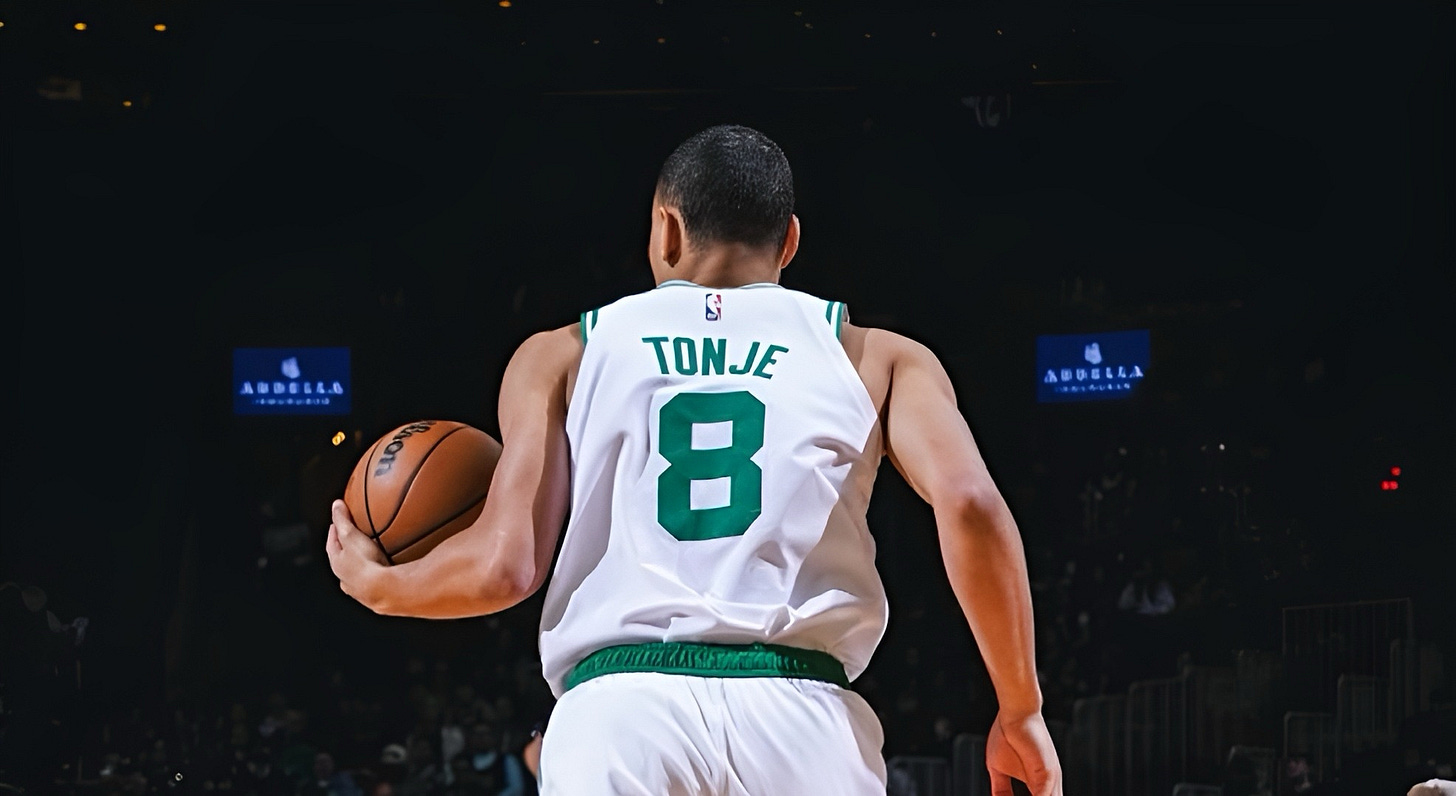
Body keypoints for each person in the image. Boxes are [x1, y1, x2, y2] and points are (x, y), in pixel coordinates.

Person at [326, 123, 1062, 795]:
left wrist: (383, 585)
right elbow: (970, 504)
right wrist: (1020, 706)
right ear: (791, 242)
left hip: (618, 720)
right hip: (803, 718)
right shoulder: (878, 356)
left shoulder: (561, 355)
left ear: (665, 227)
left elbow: (506, 566)